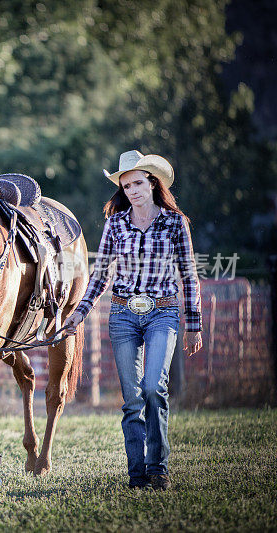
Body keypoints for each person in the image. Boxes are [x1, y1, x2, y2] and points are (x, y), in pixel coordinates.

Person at [62, 149, 203, 490]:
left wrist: (194, 322)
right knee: (132, 400)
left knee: (154, 387)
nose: (133, 190)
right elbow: (100, 277)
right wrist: (78, 313)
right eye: (126, 186)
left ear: (153, 184)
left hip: (163, 312)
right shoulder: (115, 224)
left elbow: (189, 274)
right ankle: (137, 473)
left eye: (138, 183)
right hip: (123, 314)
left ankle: (158, 467)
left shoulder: (174, 223)